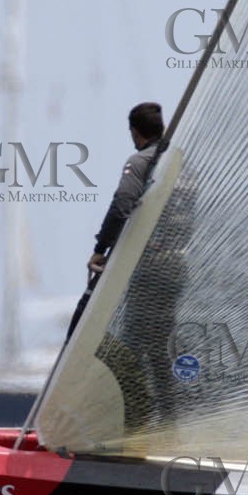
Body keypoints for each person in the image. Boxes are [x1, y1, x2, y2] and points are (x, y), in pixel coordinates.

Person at [67, 102, 164, 337]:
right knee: (155, 335)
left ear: (134, 131)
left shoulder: (141, 161)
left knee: (85, 314)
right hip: (173, 265)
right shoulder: (180, 164)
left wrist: (101, 248)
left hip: (141, 262)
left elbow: (122, 204)